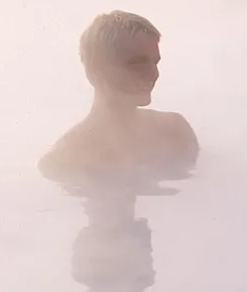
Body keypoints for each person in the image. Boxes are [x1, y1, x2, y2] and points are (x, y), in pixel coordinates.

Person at [40, 11, 200, 191]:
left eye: (155, 62)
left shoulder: (175, 132)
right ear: (97, 68)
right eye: (138, 63)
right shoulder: (66, 157)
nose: (154, 74)